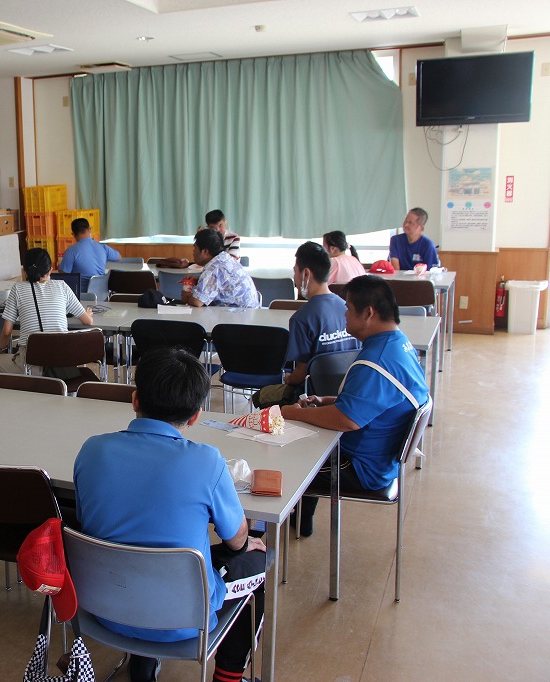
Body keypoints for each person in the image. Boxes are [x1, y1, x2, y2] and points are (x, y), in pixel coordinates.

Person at [74, 347, 265, 682]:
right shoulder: (208, 462)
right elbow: (235, 540)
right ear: (195, 416)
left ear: (134, 400)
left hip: (104, 608)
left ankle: (143, 664)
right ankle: (228, 677)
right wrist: (248, 540)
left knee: (131, 542)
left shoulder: (92, 450)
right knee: (259, 559)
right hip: (183, 620)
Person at [281, 275, 429, 536]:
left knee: (283, 462)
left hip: (360, 466)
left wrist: (296, 414)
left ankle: (253, 541)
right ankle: (300, 520)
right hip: (380, 458)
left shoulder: (376, 361)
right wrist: (326, 401)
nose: (344, 314)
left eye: (348, 308)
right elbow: (381, 400)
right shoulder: (398, 344)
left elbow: (347, 420)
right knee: (303, 442)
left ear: (368, 313)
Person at [253, 242, 361, 408]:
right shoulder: (347, 308)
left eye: (295, 272)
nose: (295, 278)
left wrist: (289, 378)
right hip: (347, 391)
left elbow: (301, 373)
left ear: (306, 274)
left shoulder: (302, 318)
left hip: (309, 396)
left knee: (261, 396)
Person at [0, 248, 94, 375]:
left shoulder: (17, 289)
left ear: (24, 271)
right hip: (62, 363)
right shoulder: (62, 286)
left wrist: (0, 349)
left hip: (31, 365)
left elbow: (7, 331)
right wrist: (88, 314)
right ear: (50, 269)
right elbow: (88, 321)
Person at [181, 228, 259, 308]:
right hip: (250, 312)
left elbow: (197, 302)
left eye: (195, 248)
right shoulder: (223, 258)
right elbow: (219, 282)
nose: (193, 252)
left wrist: (187, 297)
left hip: (240, 316)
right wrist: (198, 280)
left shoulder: (214, 268)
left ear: (205, 251)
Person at [57, 217, 121, 292]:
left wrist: (60, 267)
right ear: (89, 229)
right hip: (102, 294)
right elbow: (119, 257)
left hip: (81, 296)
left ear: (73, 234)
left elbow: (64, 274)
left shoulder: (71, 251)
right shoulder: (103, 247)